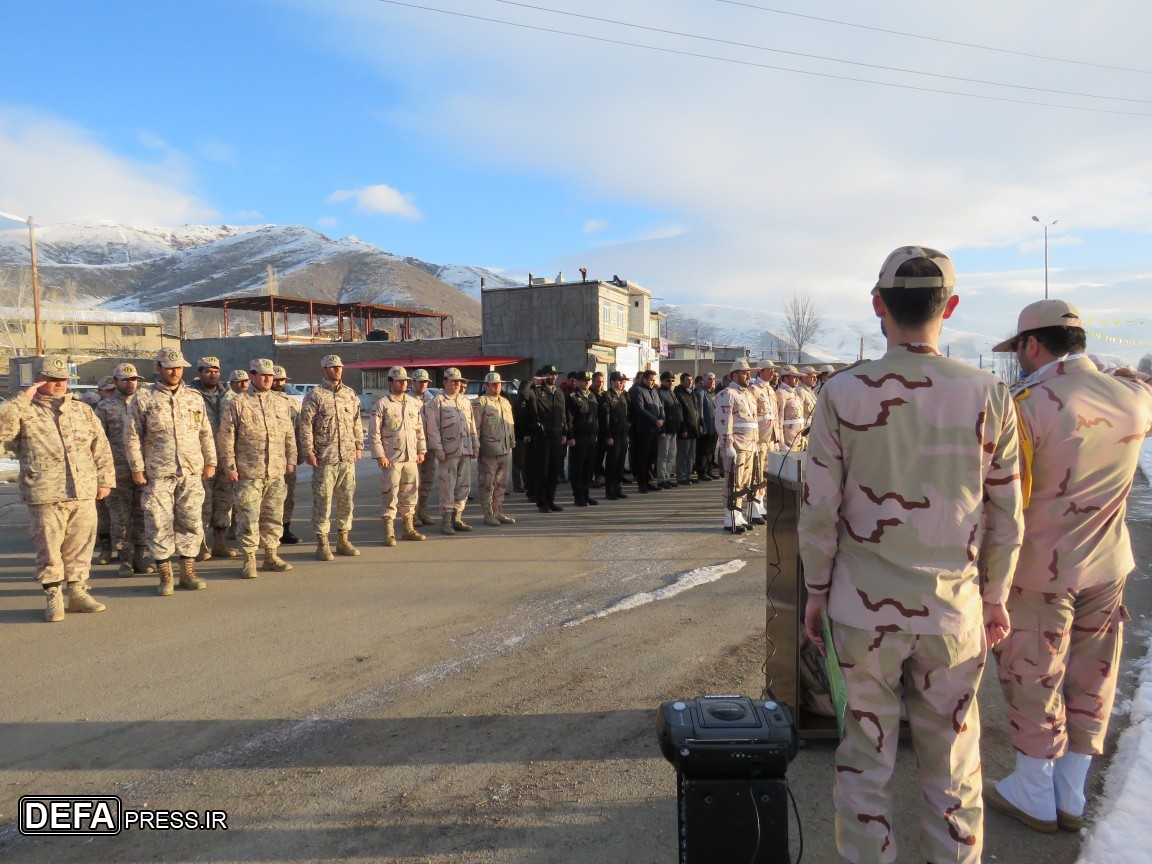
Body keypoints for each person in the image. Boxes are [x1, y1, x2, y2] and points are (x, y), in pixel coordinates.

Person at [799, 245, 1023, 864]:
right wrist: (997, 596)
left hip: (860, 613)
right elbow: (1006, 513)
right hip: (953, 612)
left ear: (878, 307)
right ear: (949, 307)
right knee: (952, 767)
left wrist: (816, 593)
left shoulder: (842, 393)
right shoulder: (988, 393)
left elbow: (818, 508)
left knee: (865, 764)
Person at [985, 300, 1152, 833]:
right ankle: (1071, 789)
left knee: (1033, 672)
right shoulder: (1133, 398)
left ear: (1033, 345)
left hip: (1039, 568)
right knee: (1094, 672)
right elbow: (1142, 379)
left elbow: (999, 498)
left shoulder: (1026, 404)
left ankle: (1034, 787)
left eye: (1019, 351)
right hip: (1108, 563)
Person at [0, 356, 114, 622]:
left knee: (81, 545)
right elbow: (2, 431)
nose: (59, 384)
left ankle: (77, 592)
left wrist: (105, 479)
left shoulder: (82, 410)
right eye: (52, 379)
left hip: (83, 489)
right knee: (49, 548)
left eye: (62, 379)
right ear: (39, 380)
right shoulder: (24, 410)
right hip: (45, 491)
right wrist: (21, 399)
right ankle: (53, 596)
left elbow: (101, 446)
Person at [125, 348, 217, 595]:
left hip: (190, 470)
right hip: (158, 472)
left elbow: (205, 432)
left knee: (191, 521)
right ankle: (165, 575)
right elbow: (132, 436)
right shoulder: (143, 398)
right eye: (169, 368)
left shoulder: (194, 398)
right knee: (158, 522)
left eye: (178, 368)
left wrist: (211, 462)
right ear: (158, 368)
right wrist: (137, 468)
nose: (175, 372)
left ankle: (187, 572)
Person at [218, 358, 297, 578]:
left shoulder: (281, 402)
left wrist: (291, 459)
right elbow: (225, 437)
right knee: (248, 516)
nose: (267, 379)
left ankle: (271, 556)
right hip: (248, 471)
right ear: (251, 376)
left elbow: (289, 434)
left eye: (270, 375)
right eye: (262, 375)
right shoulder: (237, 403)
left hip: (275, 471)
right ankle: (249, 559)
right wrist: (229, 466)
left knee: (273, 515)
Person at [296, 354, 364, 561]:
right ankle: (323, 542)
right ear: (323, 370)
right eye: (332, 367)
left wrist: (358, 445)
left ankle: (343, 539)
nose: (337, 370)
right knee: (323, 500)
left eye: (339, 367)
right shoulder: (315, 395)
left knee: (346, 500)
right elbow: (305, 425)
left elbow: (356, 422)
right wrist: (308, 451)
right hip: (325, 457)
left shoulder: (350, 395)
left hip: (346, 457)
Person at [94, 363, 152, 578]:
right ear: (116, 381)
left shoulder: (145, 404)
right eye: (125, 379)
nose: (130, 383)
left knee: (142, 513)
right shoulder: (105, 407)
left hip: (144, 469)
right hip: (117, 471)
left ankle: (140, 555)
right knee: (120, 516)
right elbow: (98, 442)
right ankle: (124, 558)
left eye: (134, 379)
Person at [368, 366, 427, 545]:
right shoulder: (382, 404)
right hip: (391, 458)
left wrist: (421, 449)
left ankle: (408, 528)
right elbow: (373, 433)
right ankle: (389, 531)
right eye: (399, 380)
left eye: (405, 381)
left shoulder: (412, 403)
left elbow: (419, 428)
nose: (402, 383)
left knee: (410, 492)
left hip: (410, 457)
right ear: (390, 382)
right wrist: (380, 456)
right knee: (390, 494)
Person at [190, 356, 238, 560]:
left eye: (216, 370)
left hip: (226, 457)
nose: (212, 374)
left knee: (224, 502)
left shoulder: (230, 395)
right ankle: (200, 545)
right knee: (201, 502)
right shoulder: (190, 395)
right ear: (199, 372)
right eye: (208, 371)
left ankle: (219, 542)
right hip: (201, 458)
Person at [423, 367, 479, 533]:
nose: (456, 384)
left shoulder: (465, 402)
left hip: (465, 449)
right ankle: (446, 521)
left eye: (458, 381)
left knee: (463, 485)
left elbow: (472, 426)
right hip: (448, 451)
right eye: (453, 381)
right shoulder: (437, 402)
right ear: (445, 382)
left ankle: (457, 517)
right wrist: (437, 449)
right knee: (448, 486)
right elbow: (432, 429)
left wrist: (475, 445)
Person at [716, 359, 758, 533]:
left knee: (743, 483)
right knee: (733, 482)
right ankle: (729, 517)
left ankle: (738, 515)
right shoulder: (727, 394)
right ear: (734, 375)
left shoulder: (747, 394)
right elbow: (724, 422)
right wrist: (727, 444)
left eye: (749, 372)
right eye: (744, 372)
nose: (748, 375)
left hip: (749, 445)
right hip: (737, 445)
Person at [473, 371, 518, 525]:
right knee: (487, 483)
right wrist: (475, 446)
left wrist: (512, 442)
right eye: (493, 384)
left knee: (501, 484)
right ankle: (488, 514)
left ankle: (498, 512)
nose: (497, 387)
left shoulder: (505, 402)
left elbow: (510, 425)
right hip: (489, 450)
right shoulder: (481, 402)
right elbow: (475, 427)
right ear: (486, 386)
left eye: (499, 384)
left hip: (504, 449)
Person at [523, 364, 569, 512]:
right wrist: (534, 379)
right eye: (550, 374)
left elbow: (563, 416)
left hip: (557, 436)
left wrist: (565, 433)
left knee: (553, 471)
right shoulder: (535, 392)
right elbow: (522, 391)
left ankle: (551, 500)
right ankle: (542, 502)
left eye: (555, 375)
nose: (554, 377)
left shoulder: (560, 393)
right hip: (542, 437)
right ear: (544, 376)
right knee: (542, 471)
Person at [271, 365, 302, 545]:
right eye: (276, 379)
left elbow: (298, 430)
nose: (279, 383)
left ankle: (285, 528)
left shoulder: (292, 404)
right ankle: (266, 531)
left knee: (288, 495)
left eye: (282, 380)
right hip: (265, 459)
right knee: (268, 498)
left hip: (287, 458)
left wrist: (298, 454)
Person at [566, 370, 600, 506]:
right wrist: (570, 436)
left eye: (588, 380)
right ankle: (578, 495)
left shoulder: (591, 395)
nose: (587, 382)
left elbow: (595, 416)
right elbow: (569, 419)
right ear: (578, 382)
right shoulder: (572, 397)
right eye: (584, 380)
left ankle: (586, 494)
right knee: (577, 467)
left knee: (588, 467)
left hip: (591, 436)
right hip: (579, 437)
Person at [630, 369, 664, 493]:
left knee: (652, 457)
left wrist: (662, 418)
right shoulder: (637, 390)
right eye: (650, 380)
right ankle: (642, 484)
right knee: (643, 457)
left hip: (654, 429)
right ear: (644, 379)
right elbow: (640, 409)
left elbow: (660, 406)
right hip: (643, 429)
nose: (652, 383)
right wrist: (655, 420)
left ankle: (649, 481)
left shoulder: (654, 391)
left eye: (654, 380)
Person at [599, 371, 631, 500]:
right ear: (612, 381)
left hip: (622, 435)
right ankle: (610, 490)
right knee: (612, 464)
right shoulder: (606, 396)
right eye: (619, 381)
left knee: (620, 464)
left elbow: (625, 418)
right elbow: (604, 419)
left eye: (623, 381)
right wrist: (608, 436)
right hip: (613, 436)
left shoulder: (622, 396)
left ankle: (618, 488)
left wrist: (627, 434)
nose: (622, 383)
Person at [673, 373, 701, 485]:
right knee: (682, 455)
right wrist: (683, 429)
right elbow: (680, 414)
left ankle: (688, 475)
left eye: (691, 379)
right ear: (681, 381)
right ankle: (681, 477)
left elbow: (696, 411)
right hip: (685, 430)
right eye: (687, 380)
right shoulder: (678, 394)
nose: (690, 382)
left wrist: (700, 424)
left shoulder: (692, 393)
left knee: (691, 455)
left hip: (694, 429)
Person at [655, 371, 681, 488]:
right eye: (668, 380)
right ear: (662, 381)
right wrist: (662, 430)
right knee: (663, 455)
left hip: (673, 429)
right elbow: (661, 413)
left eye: (672, 380)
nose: (670, 382)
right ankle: (661, 479)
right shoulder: (660, 393)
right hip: (665, 430)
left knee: (671, 455)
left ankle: (667, 477)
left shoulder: (672, 393)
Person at [776, 365, 806, 450]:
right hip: (788, 441)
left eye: (797, 377)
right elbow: (779, 420)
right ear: (785, 378)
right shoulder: (781, 393)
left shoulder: (795, 393)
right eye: (794, 377)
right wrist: (781, 444)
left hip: (798, 440)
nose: (797, 380)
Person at [694, 373, 719, 481]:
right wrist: (702, 425)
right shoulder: (701, 393)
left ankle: (709, 470)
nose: (712, 381)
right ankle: (702, 472)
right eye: (709, 379)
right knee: (703, 451)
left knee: (710, 452)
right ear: (703, 381)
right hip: (706, 426)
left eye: (713, 379)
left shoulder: (713, 393)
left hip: (714, 427)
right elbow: (700, 411)